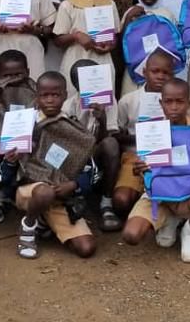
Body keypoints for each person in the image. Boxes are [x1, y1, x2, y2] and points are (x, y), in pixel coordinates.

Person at [121, 79, 190, 263]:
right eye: (168, 101)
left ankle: (189, 230)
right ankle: (170, 220)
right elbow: (145, 170)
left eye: (180, 101)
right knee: (131, 235)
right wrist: (139, 169)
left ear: (189, 103)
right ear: (161, 103)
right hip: (158, 195)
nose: (174, 107)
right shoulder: (152, 130)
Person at [15, 72, 98, 259]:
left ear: (65, 95)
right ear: (37, 97)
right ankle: (28, 226)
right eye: (45, 95)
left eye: (56, 95)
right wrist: (12, 160)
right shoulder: (24, 124)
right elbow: (5, 175)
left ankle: (44, 221)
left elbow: (90, 169)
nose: (50, 100)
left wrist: (74, 185)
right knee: (44, 192)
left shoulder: (72, 127)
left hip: (61, 197)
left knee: (86, 248)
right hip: (30, 191)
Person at [114, 51, 177, 218]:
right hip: (134, 157)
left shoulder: (176, 102)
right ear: (144, 72)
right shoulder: (128, 101)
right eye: (155, 71)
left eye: (166, 73)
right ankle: (140, 195)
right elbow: (116, 134)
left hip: (166, 160)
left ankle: (152, 202)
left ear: (172, 75)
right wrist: (141, 136)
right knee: (121, 201)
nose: (160, 76)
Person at [62, 59, 122, 231]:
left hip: (97, 151)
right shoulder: (69, 105)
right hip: (76, 154)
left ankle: (106, 202)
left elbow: (107, 137)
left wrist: (102, 119)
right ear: (77, 85)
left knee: (111, 144)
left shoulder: (109, 102)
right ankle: (76, 197)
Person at [0, 50, 37, 225]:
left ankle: (26, 197)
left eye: (18, 74)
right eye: (7, 75)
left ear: (27, 71)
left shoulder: (37, 92)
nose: (13, 79)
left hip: (30, 145)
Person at [52, 0, 121, 96]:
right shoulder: (68, 5)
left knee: (101, 104)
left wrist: (110, 45)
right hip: (75, 60)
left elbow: (115, 36)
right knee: (75, 102)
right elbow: (58, 40)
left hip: (102, 60)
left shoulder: (109, 3)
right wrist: (76, 36)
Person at [119, 0, 177, 95]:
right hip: (134, 71)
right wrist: (129, 18)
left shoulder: (167, 14)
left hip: (162, 74)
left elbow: (174, 44)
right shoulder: (131, 12)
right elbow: (122, 42)